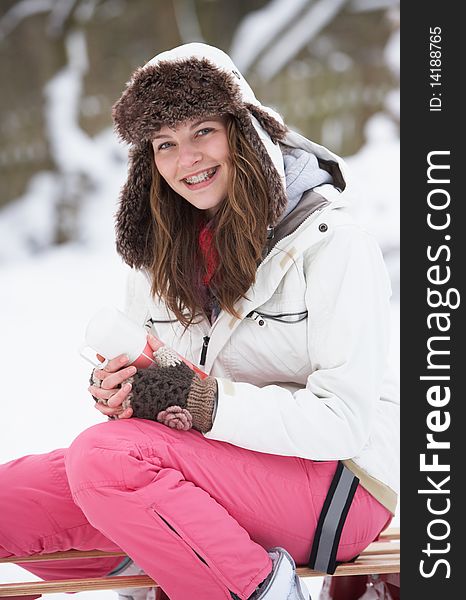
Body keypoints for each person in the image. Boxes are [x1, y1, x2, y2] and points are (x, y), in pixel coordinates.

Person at [0, 43, 399, 600]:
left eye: (202, 131)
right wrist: (126, 395)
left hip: (336, 482)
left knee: (104, 457)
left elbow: (344, 421)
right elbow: (160, 412)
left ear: (245, 132)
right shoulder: (156, 260)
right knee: (9, 498)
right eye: (165, 143)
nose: (186, 159)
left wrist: (205, 402)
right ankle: (184, 570)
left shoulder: (332, 246)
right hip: (210, 476)